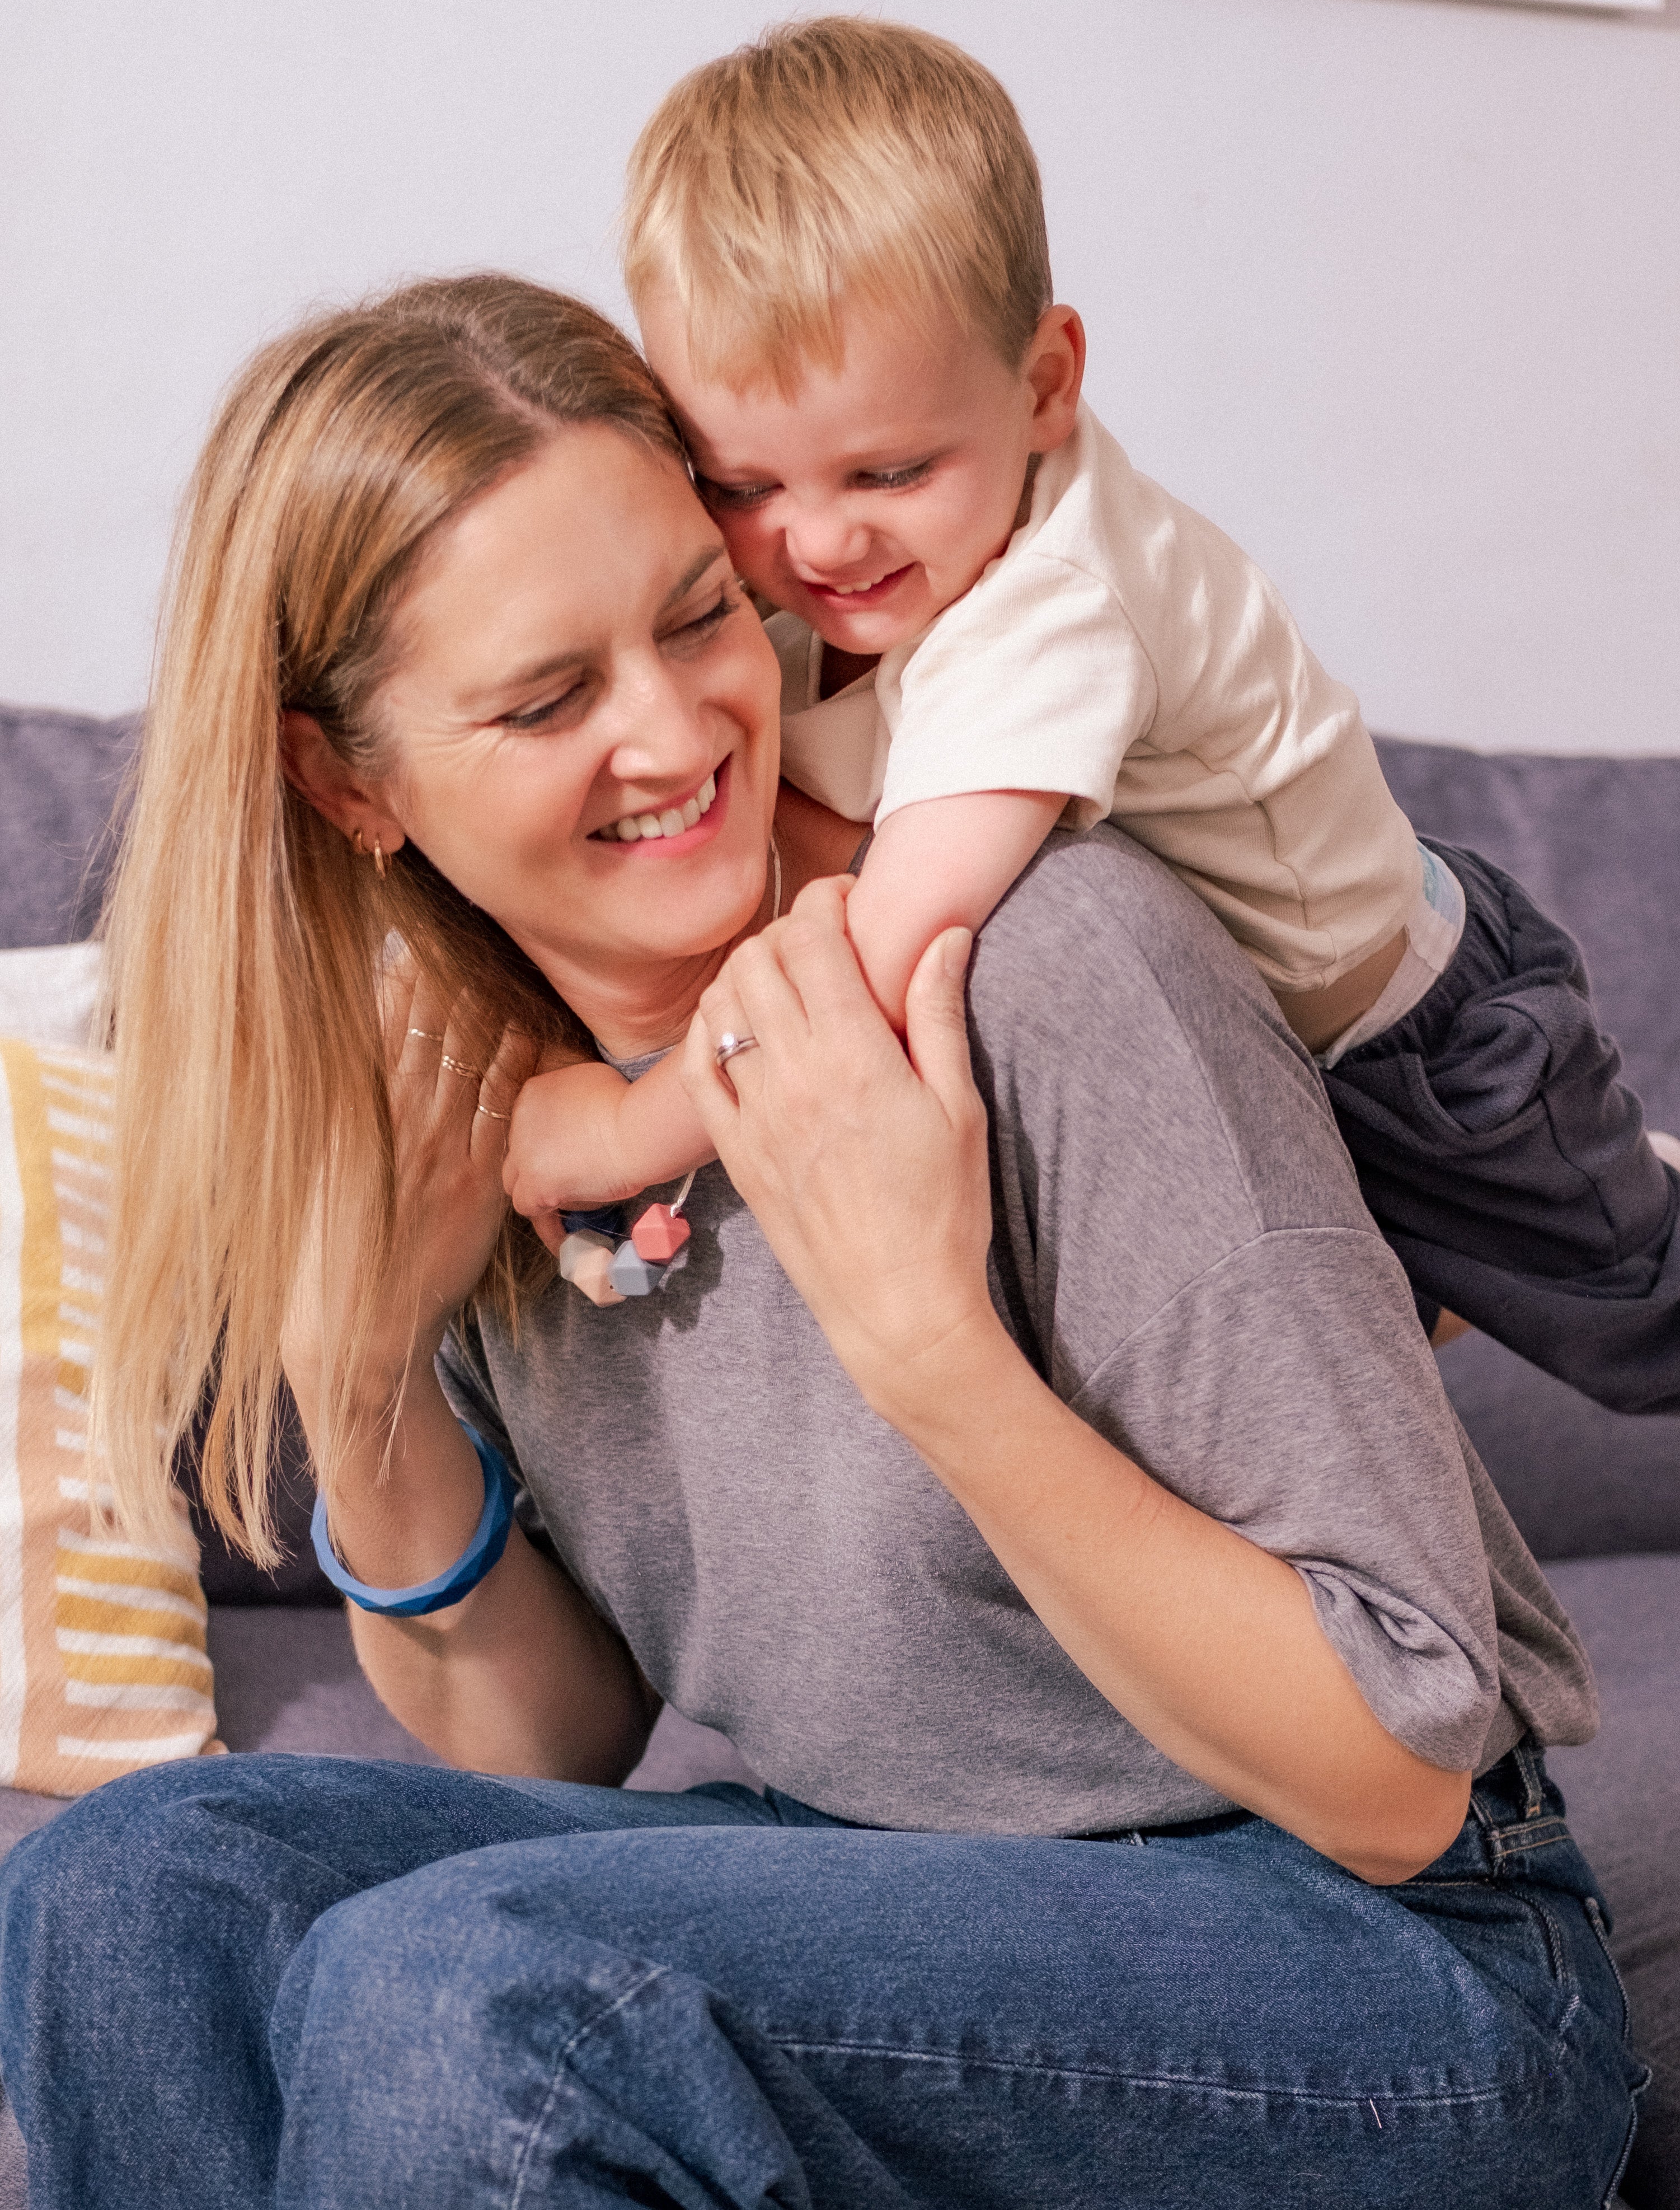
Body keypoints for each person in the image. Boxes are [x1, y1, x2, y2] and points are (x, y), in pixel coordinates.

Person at [0, 276, 1645, 2208]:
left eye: (702, 616)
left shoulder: (1039, 964)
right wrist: (363, 1381)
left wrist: (925, 1339)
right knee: (129, 1884)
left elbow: (1395, 1776)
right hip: (889, 1877)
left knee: (479, 1988)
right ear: (344, 779)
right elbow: (552, 1743)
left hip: (1396, 1965)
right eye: (546, 697)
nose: (677, 727)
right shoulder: (487, 1098)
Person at [505, 17, 1680, 1417]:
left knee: (1640, 1321)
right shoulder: (820, 595)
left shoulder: (1052, 606)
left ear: (1048, 383)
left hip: (1417, 1043)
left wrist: (636, 1125)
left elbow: (887, 959)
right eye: (742, 484)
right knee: (1303, 1323)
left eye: (887, 468)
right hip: (1239, 1059)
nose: (814, 543)